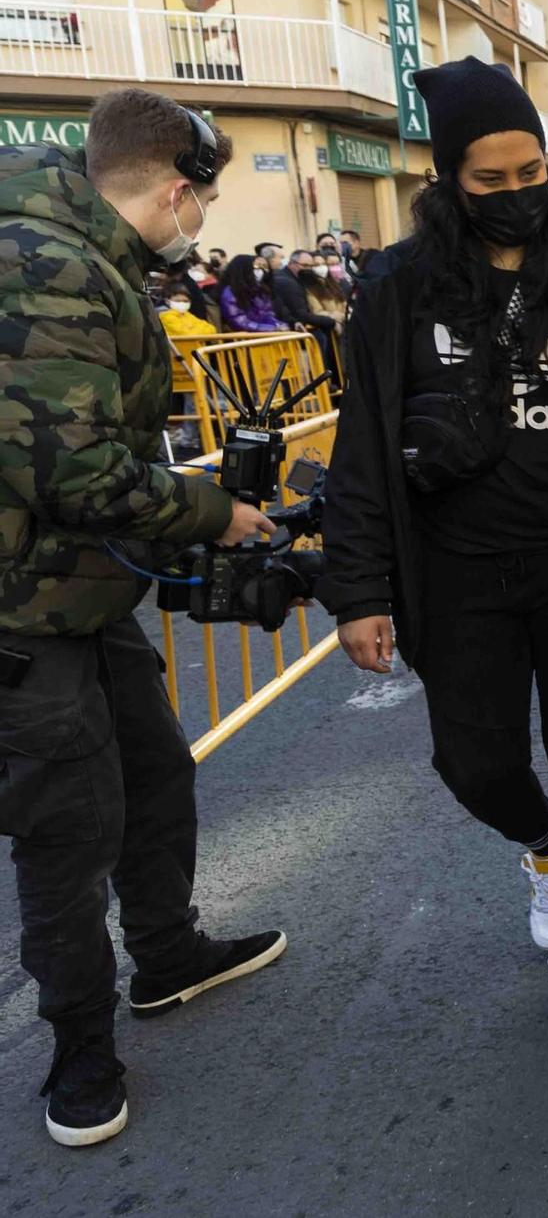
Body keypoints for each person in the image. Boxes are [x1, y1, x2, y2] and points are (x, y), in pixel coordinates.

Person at [320, 57, 548, 1059]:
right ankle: (542, 845)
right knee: (473, 761)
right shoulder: (396, 285)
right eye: (490, 180)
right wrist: (360, 590)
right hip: (457, 574)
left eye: (532, 175)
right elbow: (363, 446)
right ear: (447, 181)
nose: (518, 195)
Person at [0, 88, 286, 1148]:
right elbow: (73, 470)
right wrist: (220, 514)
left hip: (77, 588)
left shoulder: (75, 247)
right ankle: (80, 1051)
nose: (198, 225)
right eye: (201, 204)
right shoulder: (48, 262)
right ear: (174, 190)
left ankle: (166, 955)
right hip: (23, 611)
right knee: (66, 830)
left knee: (155, 774)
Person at [270, 249, 339, 372]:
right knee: (319, 338)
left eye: (311, 266)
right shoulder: (289, 283)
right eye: (305, 265)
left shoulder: (296, 279)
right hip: (292, 331)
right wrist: (330, 321)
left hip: (293, 326)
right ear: (292, 263)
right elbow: (301, 314)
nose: (309, 269)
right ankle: (321, 379)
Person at [217, 253, 285, 332]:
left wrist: (279, 325)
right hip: (247, 338)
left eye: (264, 267)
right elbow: (239, 321)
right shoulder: (230, 292)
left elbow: (267, 313)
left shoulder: (260, 289)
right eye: (256, 267)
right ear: (245, 269)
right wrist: (270, 328)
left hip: (264, 335)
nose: (261, 271)